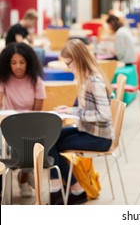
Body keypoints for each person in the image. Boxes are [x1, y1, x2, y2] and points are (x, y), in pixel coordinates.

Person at [49, 39, 113, 205]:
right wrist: (71, 110)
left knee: (49, 143)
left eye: (69, 63)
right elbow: (88, 111)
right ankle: (74, 189)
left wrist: (75, 112)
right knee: (48, 138)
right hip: (88, 130)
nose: (69, 67)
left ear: (78, 60)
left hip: (99, 138)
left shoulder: (94, 81)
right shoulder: (85, 79)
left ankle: (59, 190)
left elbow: (104, 115)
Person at [0, 42, 46, 198]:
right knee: (19, 147)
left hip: (29, 124)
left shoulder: (36, 81)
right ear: (8, 63)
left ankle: (24, 176)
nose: (18, 66)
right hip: (9, 124)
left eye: (22, 62)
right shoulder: (3, 79)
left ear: (29, 62)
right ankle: (25, 174)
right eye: (13, 62)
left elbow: (36, 111)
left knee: (32, 144)